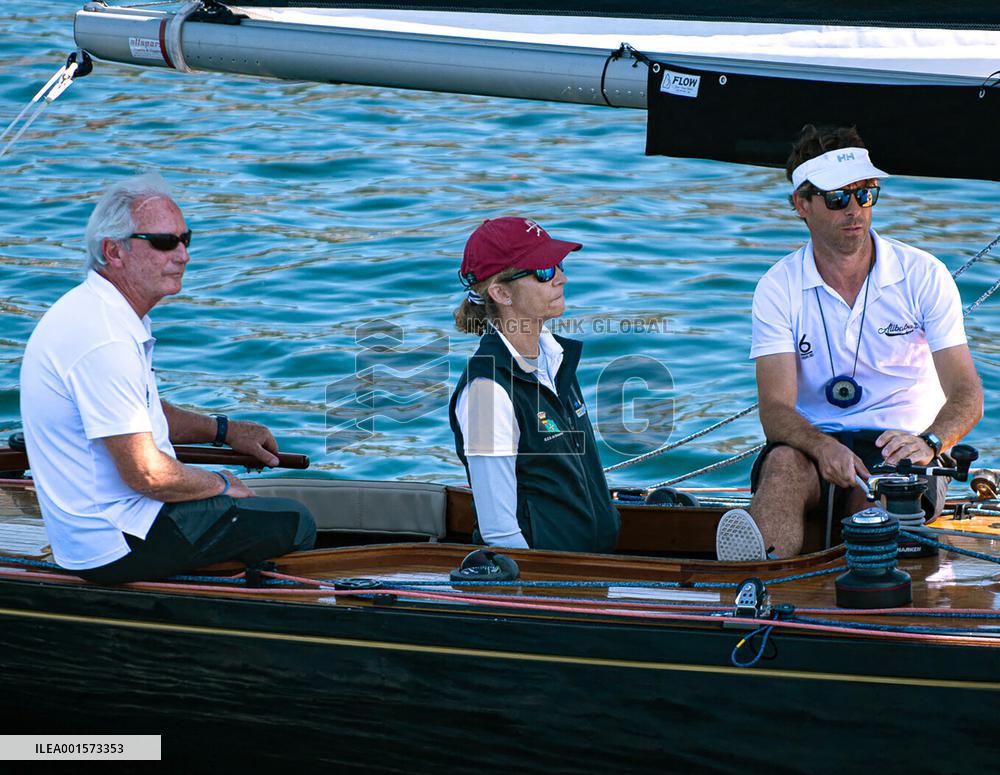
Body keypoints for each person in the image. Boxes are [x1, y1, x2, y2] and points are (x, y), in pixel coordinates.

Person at [19, 173, 316, 583]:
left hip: (104, 528)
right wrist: (221, 483)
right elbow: (148, 475)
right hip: (117, 543)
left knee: (261, 509)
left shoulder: (97, 311)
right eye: (164, 243)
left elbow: (142, 414)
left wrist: (225, 430)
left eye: (185, 240)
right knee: (295, 520)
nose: (183, 255)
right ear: (113, 251)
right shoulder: (104, 339)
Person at [716, 125, 983, 561]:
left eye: (865, 194)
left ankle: (843, 602)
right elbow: (775, 411)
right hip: (814, 442)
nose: (854, 209)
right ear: (802, 205)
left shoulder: (924, 274)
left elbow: (967, 395)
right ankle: (754, 584)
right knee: (783, 466)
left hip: (903, 445)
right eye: (837, 198)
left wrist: (930, 443)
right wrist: (822, 447)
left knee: (875, 497)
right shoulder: (777, 286)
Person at [448, 217, 620, 552]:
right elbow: (499, 533)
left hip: (592, 574)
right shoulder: (486, 392)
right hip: (549, 586)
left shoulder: (557, 360)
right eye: (543, 271)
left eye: (558, 264)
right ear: (500, 293)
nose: (561, 278)